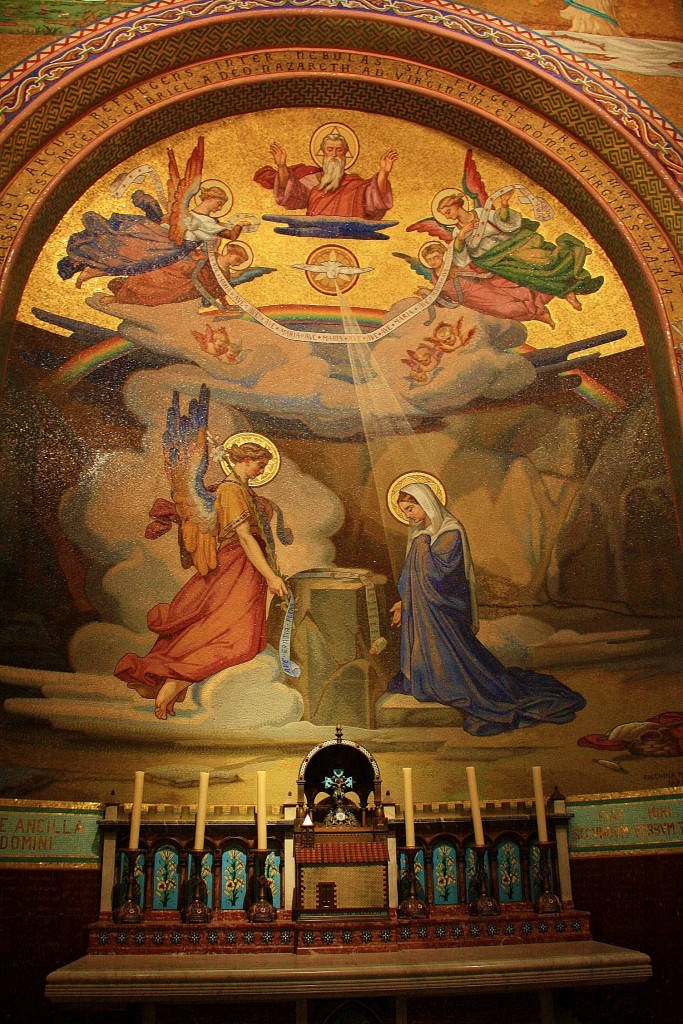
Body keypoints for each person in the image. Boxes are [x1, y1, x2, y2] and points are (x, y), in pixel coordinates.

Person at [387, 482, 586, 735]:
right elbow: (411, 577)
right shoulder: (420, 536)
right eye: (404, 511)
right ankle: (431, 680)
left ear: (425, 503)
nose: (408, 515)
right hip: (424, 610)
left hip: (444, 610)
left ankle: (452, 683)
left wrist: (424, 545)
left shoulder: (449, 532)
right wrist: (404, 602)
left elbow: (444, 576)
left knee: (454, 657)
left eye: (411, 508)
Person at [115, 440, 288, 720]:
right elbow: (245, 537)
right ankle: (174, 682)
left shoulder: (242, 490)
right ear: (244, 460)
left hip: (247, 569)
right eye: (260, 464)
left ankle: (175, 683)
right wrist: (270, 577)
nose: (262, 470)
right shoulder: (230, 491)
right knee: (237, 640)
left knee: (238, 637)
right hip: (238, 568)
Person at [435, 190, 603, 319]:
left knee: (542, 260)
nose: (447, 216)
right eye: (444, 215)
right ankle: (567, 292)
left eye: (448, 211)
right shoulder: (457, 231)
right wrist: (462, 235)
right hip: (493, 258)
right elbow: (461, 257)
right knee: (532, 272)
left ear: (457, 205)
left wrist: (504, 204)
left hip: (511, 243)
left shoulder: (481, 212)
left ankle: (573, 253)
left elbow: (505, 222)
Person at [254, 128, 397, 220]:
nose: (334, 154)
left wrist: (384, 173)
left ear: (345, 153)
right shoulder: (311, 180)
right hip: (313, 234)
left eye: (339, 150)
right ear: (323, 152)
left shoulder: (356, 185)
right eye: (330, 150)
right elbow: (292, 193)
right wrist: (281, 166)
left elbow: (374, 200)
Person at [417, 241, 556, 326]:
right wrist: (428, 293)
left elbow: (477, 270)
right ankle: (539, 315)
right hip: (472, 302)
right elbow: (445, 299)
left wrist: (461, 273)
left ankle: (539, 310)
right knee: (505, 313)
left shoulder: (456, 264)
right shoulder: (435, 279)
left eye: (435, 257)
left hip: (482, 289)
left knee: (510, 304)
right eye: (429, 260)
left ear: (443, 255)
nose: (433, 262)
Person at [101, 241, 248, 307]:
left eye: (240, 262)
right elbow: (192, 256)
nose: (237, 264)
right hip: (180, 274)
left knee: (156, 298)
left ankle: (120, 298)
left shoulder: (226, 275)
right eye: (238, 259)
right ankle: (120, 294)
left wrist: (226, 305)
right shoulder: (211, 255)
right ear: (230, 253)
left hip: (187, 289)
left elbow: (220, 291)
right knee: (152, 278)